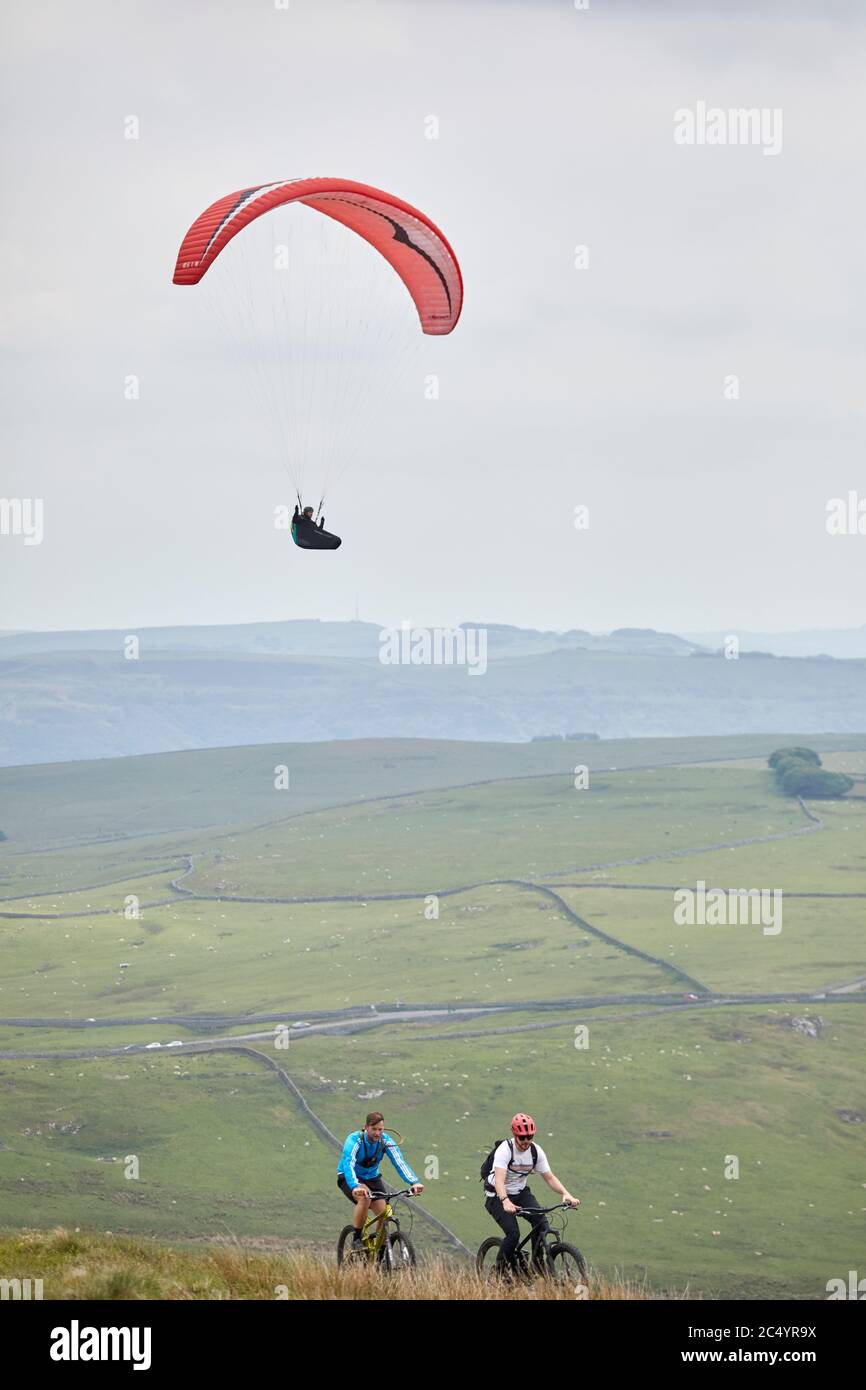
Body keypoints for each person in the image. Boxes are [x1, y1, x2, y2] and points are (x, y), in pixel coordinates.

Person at [484, 1112, 579, 1273]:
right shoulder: (505, 1150)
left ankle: (536, 1264)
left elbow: (549, 1177)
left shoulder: (536, 1152)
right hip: (497, 1195)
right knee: (513, 1235)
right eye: (522, 1138)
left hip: (520, 1193)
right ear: (515, 1135)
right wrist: (505, 1200)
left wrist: (565, 1193)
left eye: (530, 1136)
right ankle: (499, 1272)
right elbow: (499, 1181)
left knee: (542, 1223)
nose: (526, 1141)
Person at [337, 1112, 424, 1247]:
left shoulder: (386, 1141)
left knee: (385, 1215)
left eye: (380, 1130)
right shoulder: (354, 1140)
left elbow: (399, 1162)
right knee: (365, 1197)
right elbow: (348, 1164)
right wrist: (355, 1186)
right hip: (349, 1176)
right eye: (374, 1129)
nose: (377, 1133)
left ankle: (380, 1255)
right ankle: (357, 1238)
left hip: (372, 1177)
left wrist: (414, 1182)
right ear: (366, 1127)